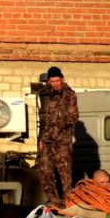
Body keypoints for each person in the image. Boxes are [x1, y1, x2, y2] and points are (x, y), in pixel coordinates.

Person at [37, 65, 79, 205]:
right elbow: (45, 119)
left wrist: (58, 128)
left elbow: (73, 116)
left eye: (57, 81)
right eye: (52, 81)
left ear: (62, 79)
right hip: (47, 140)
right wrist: (42, 138)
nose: (55, 84)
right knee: (45, 170)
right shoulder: (48, 95)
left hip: (62, 142)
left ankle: (68, 202)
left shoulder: (69, 95)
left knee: (64, 173)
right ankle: (53, 200)